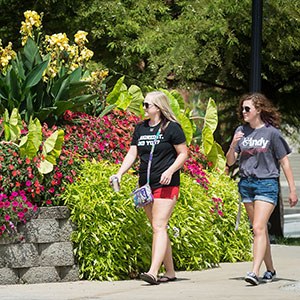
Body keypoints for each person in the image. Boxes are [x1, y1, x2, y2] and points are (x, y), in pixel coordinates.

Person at [109, 91, 188, 285]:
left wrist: (170, 171)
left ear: (159, 107)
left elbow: (183, 154)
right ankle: (170, 272)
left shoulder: (172, 128)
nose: (144, 108)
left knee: (159, 226)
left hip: (166, 184)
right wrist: (119, 173)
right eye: (144, 104)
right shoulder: (141, 128)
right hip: (145, 185)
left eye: (147, 105)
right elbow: (133, 153)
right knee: (157, 227)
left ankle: (153, 272)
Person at [226, 93, 298, 286]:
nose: (243, 112)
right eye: (242, 109)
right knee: (259, 229)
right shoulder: (241, 131)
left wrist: (292, 190)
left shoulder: (272, 133)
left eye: (247, 109)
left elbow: (285, 163)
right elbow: (230, 161)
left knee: (258, 227)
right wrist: (233, 144)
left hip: (266, 184)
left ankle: (254, 271)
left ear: (258, 109)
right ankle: (271, 269)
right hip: (246, 184)